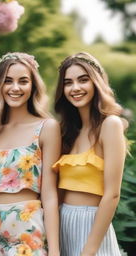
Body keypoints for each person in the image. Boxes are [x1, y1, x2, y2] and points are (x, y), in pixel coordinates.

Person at [0, 52, 61, 256]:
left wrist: (54, 250)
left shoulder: (46, 127)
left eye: (23, 81)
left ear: (33, 86)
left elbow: (50, 194)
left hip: (27, 227)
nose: (15, 88)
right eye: (8, 81)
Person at [52, 52, 127, 256]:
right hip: (63, 224)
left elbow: (112, 194)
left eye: (83, 80)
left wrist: (90, 249)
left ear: (96, 83)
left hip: (92, 227)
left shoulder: (110, 125)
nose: (75, 88)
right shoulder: (66, 131)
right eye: (68, 82)